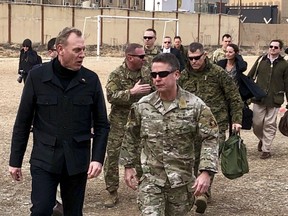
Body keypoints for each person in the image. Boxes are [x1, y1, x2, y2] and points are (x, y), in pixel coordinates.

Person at [8, 27, 110, 216]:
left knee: (73, 212)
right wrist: (15, 161)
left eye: (84, 50)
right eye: (77, 50)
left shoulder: (90, 80)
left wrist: (97, 158)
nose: (82, 55)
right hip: (45, 159)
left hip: (77, 161)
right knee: (41, 210)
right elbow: (23, 121)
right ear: (60, 49)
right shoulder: (37, 77)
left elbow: (102, 125)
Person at [121, 53, 219, 215]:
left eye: (162, 74)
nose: (157, 79)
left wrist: (206, 172)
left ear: (176, 74)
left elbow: (210, 138)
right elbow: (131, 134)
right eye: (153, 75)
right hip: (151, 180)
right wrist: (128, 166)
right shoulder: (143, 106)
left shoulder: (195, 106)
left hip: (181, 181)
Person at [178, 42, 242, 213]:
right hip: (191, 126)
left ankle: (202, 194)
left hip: (216, 125)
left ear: (204, 55)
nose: (194, 61)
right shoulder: (183, 76)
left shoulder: (217, 73)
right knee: (193, 159)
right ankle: (198, 189)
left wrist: (236, 119)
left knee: (209, 158)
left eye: (197, 58)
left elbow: (234, 97)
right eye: (190, 59)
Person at [103, 43, 152, 208]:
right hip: (120, 123)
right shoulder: (117, 74)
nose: (144, 59)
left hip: (141, 122)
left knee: (142, 155)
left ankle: (144, 190)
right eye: (141, 57)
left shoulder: (147, 73)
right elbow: (111, 96)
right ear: (130, 57)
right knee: (112, 157)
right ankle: (112, 191)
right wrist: (131, 92)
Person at [248, 39, 288, 159]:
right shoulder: (261, 60)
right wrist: (248, 94)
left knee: (270, 124)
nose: (272, 49)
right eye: (271, 46)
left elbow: (287, 83)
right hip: (259, 98)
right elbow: (250, 76)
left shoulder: (284, 65)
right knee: (257, 124)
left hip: (275, 99)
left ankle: (266, 149)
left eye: (276, 47)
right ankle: (262, 139)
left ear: (280, 49)